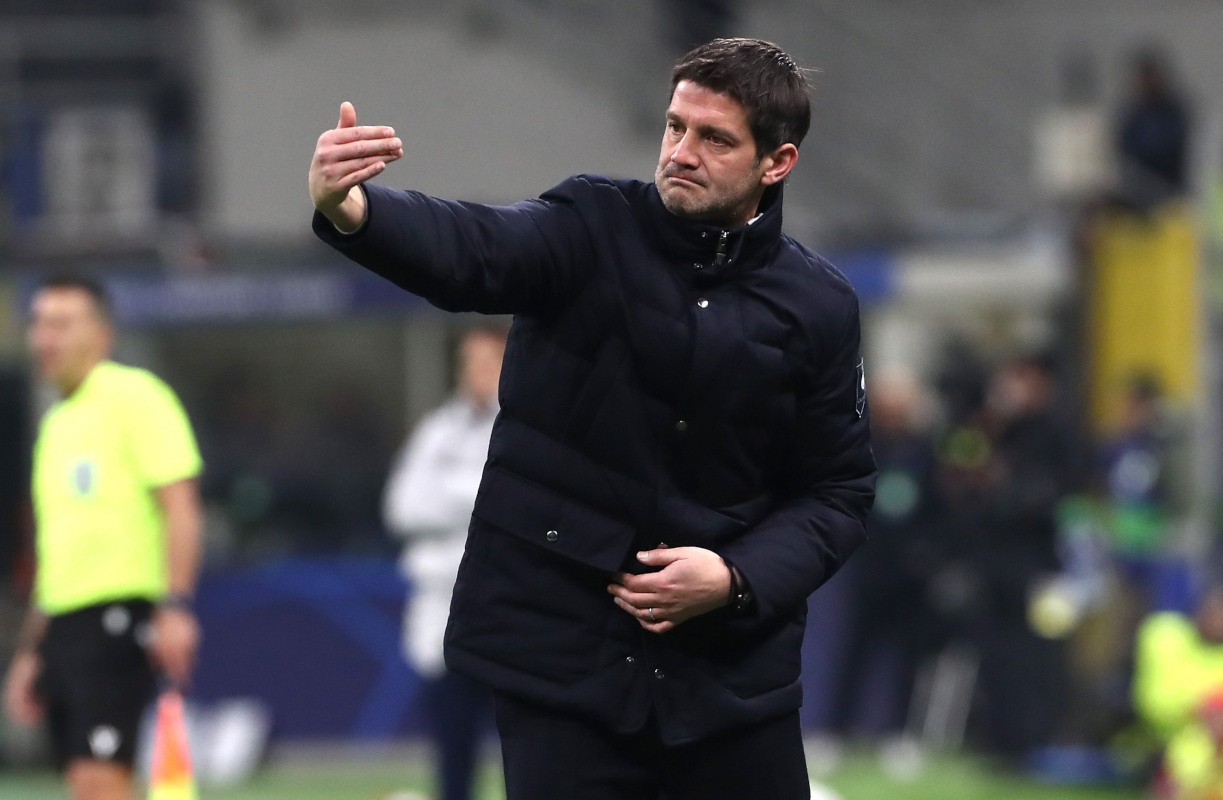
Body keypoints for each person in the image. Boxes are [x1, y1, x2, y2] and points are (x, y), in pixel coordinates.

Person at [309, 38, 875, 799]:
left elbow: (836, 493)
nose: (681, 151)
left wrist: (735, 577)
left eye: (714, 138)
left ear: (776, 163)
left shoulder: (819, 305)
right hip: (560, 661)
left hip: (729, 680)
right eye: (675, 126)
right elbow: (475, 249)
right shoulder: (590, 222)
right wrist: (355, 211)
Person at [2, 276, 204, 800]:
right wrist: (32, 649)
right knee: (83, 782)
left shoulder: (135, 396)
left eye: (62, 323)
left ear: (101, 336)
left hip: (115, 617)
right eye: (39, 323)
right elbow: (56, 550)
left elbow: (180, 506)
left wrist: (175, 605)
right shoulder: (55, 425)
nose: (45, 337)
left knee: (100, 781)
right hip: (64, 629)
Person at [384, 327, 505, 800]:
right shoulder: (438, 430)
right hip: (442, 610)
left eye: (487, 362)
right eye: (467, 362)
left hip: (508, 611)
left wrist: (455, 495)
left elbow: (514, 508)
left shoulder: (527, 425)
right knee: (452, 747)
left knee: (528, 746)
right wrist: (472, 497)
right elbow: (401, 506)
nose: (475, 373)